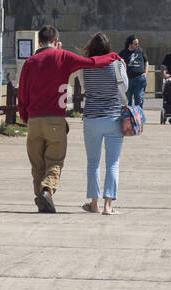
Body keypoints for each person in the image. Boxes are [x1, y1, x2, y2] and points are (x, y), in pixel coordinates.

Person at [17, 25, 120, 214]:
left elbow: (22, 94)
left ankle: (41, 199)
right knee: (54, 160)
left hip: (34, 120)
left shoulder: (30, 62)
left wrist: (24, 116)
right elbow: (92, 62)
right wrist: (113, 56)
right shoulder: (62, 56)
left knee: (37, 164)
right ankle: (47, 190)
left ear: (39, 42)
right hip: (55, 119)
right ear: (56, 41)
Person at [79, 32, 128, 215]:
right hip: (114, 118)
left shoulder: (86, 66)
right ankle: (108, 206)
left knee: (93, 162)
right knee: (113, 163)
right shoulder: (116, 64)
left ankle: (93, 204)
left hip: (92, 118)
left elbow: (84, 86)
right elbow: (125, 88)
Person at [120, 35, 148, 108]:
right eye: (135, 44)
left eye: (138, 43)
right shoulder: (123, 53)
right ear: (130, 44)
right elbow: (117, 63)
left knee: (139, 99)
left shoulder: (140, 51)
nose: (137, 45)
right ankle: (128, 117)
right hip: (128, 79)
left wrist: (145, 72)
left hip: (139, 79)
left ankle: (138, 118)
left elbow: (146, 62)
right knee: (127, 100)